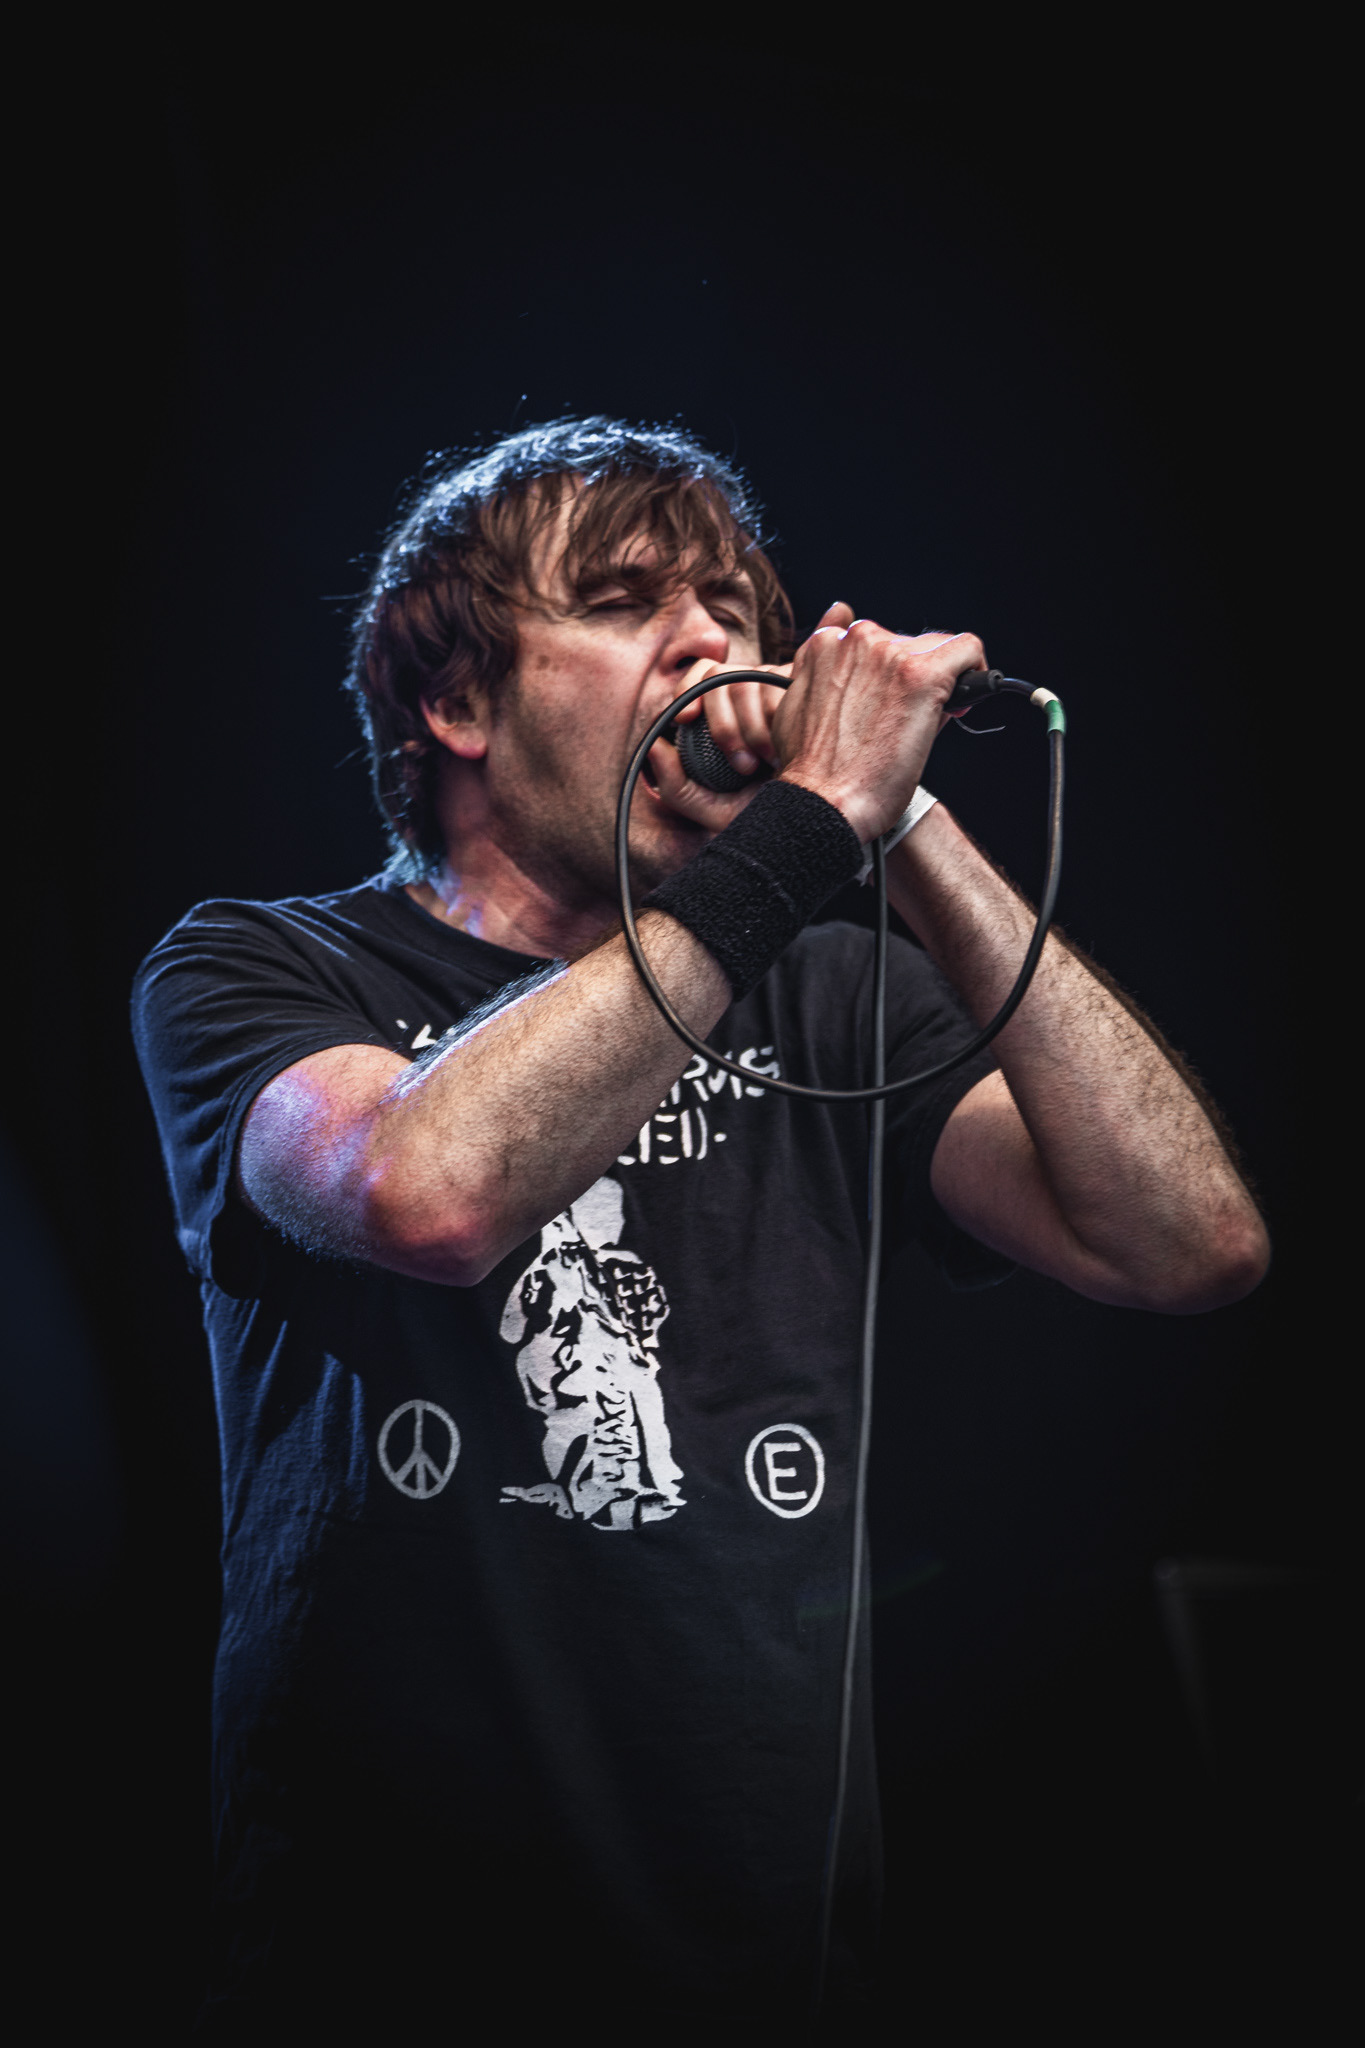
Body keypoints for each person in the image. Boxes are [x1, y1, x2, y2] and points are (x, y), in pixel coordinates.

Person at [132, 418, 1268, 2037]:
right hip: (370, 1961)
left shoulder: (830, 998)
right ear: (456, 703)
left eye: (733, 609)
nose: (709, 647)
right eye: (621, 603)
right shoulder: (259, 970)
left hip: (759, 1971)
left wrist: (893, 811)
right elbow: (424, 1191)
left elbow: (1184, 1243)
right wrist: (809, 825)